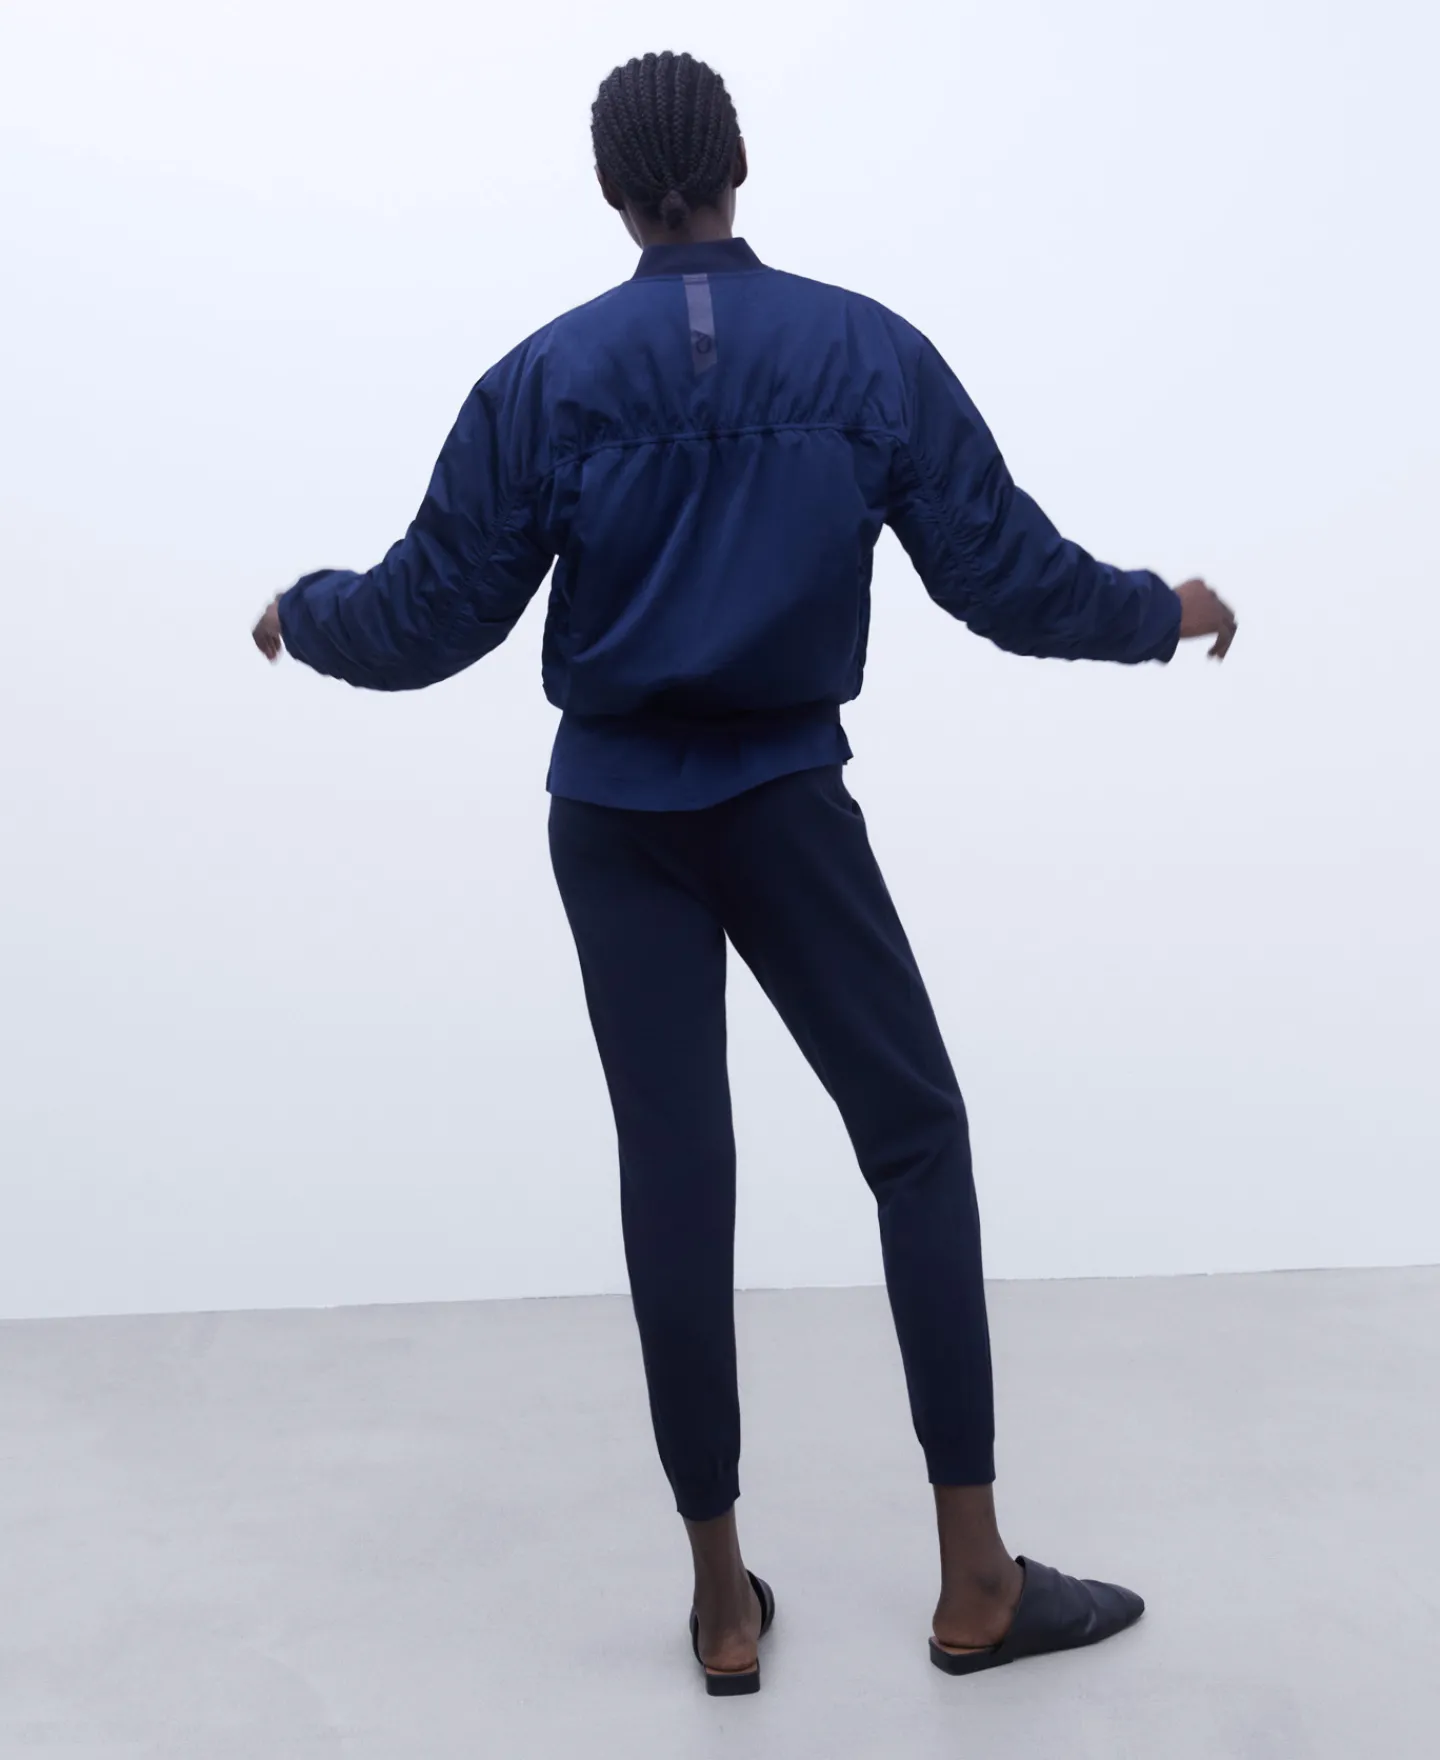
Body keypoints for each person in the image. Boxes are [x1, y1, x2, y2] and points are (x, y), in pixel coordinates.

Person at [252, 49, 1237, 1696]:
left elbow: (432, 610)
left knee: (675, 1177)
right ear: (741, 164)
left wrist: (310, 610)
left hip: (612, 820)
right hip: (784, 802)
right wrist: (1161, 612)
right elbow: (1005, 574)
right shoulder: (865, 351)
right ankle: (977, 1580)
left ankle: (720, 1603)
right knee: (914, 1137)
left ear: (609, 193)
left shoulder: (545, 379)